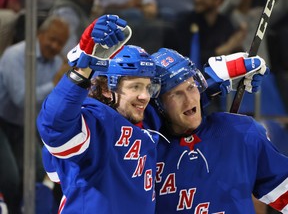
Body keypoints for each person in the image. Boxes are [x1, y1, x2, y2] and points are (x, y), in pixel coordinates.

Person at [36, 14, 163, 213]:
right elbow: (53, 125)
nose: (144, 96)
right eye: (135, 86)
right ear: (105, 89)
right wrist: (83, 68)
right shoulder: (96, 120)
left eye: (148, 87)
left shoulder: (146, 120)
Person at [150, 48, 288, 213]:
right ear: (158, 103)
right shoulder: (145, 150)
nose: (189, 100)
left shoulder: (240, 132)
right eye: (176, 94)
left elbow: (283, 190)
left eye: (191, 87)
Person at [0, 15, 69, 213]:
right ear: (40, 34)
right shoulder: (15, 55)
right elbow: (21, 99)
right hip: (2, 122)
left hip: (25, 125)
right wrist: (55, 84)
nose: (55, 46)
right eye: (52, 39)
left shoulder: (57, 63)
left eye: (60, 43)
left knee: (39, 172)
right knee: (9, 177)